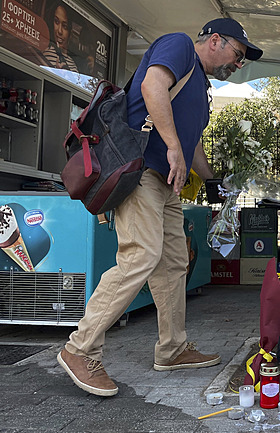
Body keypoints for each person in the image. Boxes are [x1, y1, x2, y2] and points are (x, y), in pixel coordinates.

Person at [57, 18, 263, 397]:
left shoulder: (200, 87)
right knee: (142, 256)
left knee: (172, 264)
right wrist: (171, 148)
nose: (238, 64)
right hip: (140, 173)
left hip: (166, 183)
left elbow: (191, 142)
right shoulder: (179, 45)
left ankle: (171, 348)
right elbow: (153, 86)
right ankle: (79, 348)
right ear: (214, 40)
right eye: (237, 54)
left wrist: (214, 178)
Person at [42, 2, 79, 73]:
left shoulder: (72, 63)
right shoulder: (49, 53)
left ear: (69, 32)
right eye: (56, 22)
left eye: (65, 26)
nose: (60, 31)